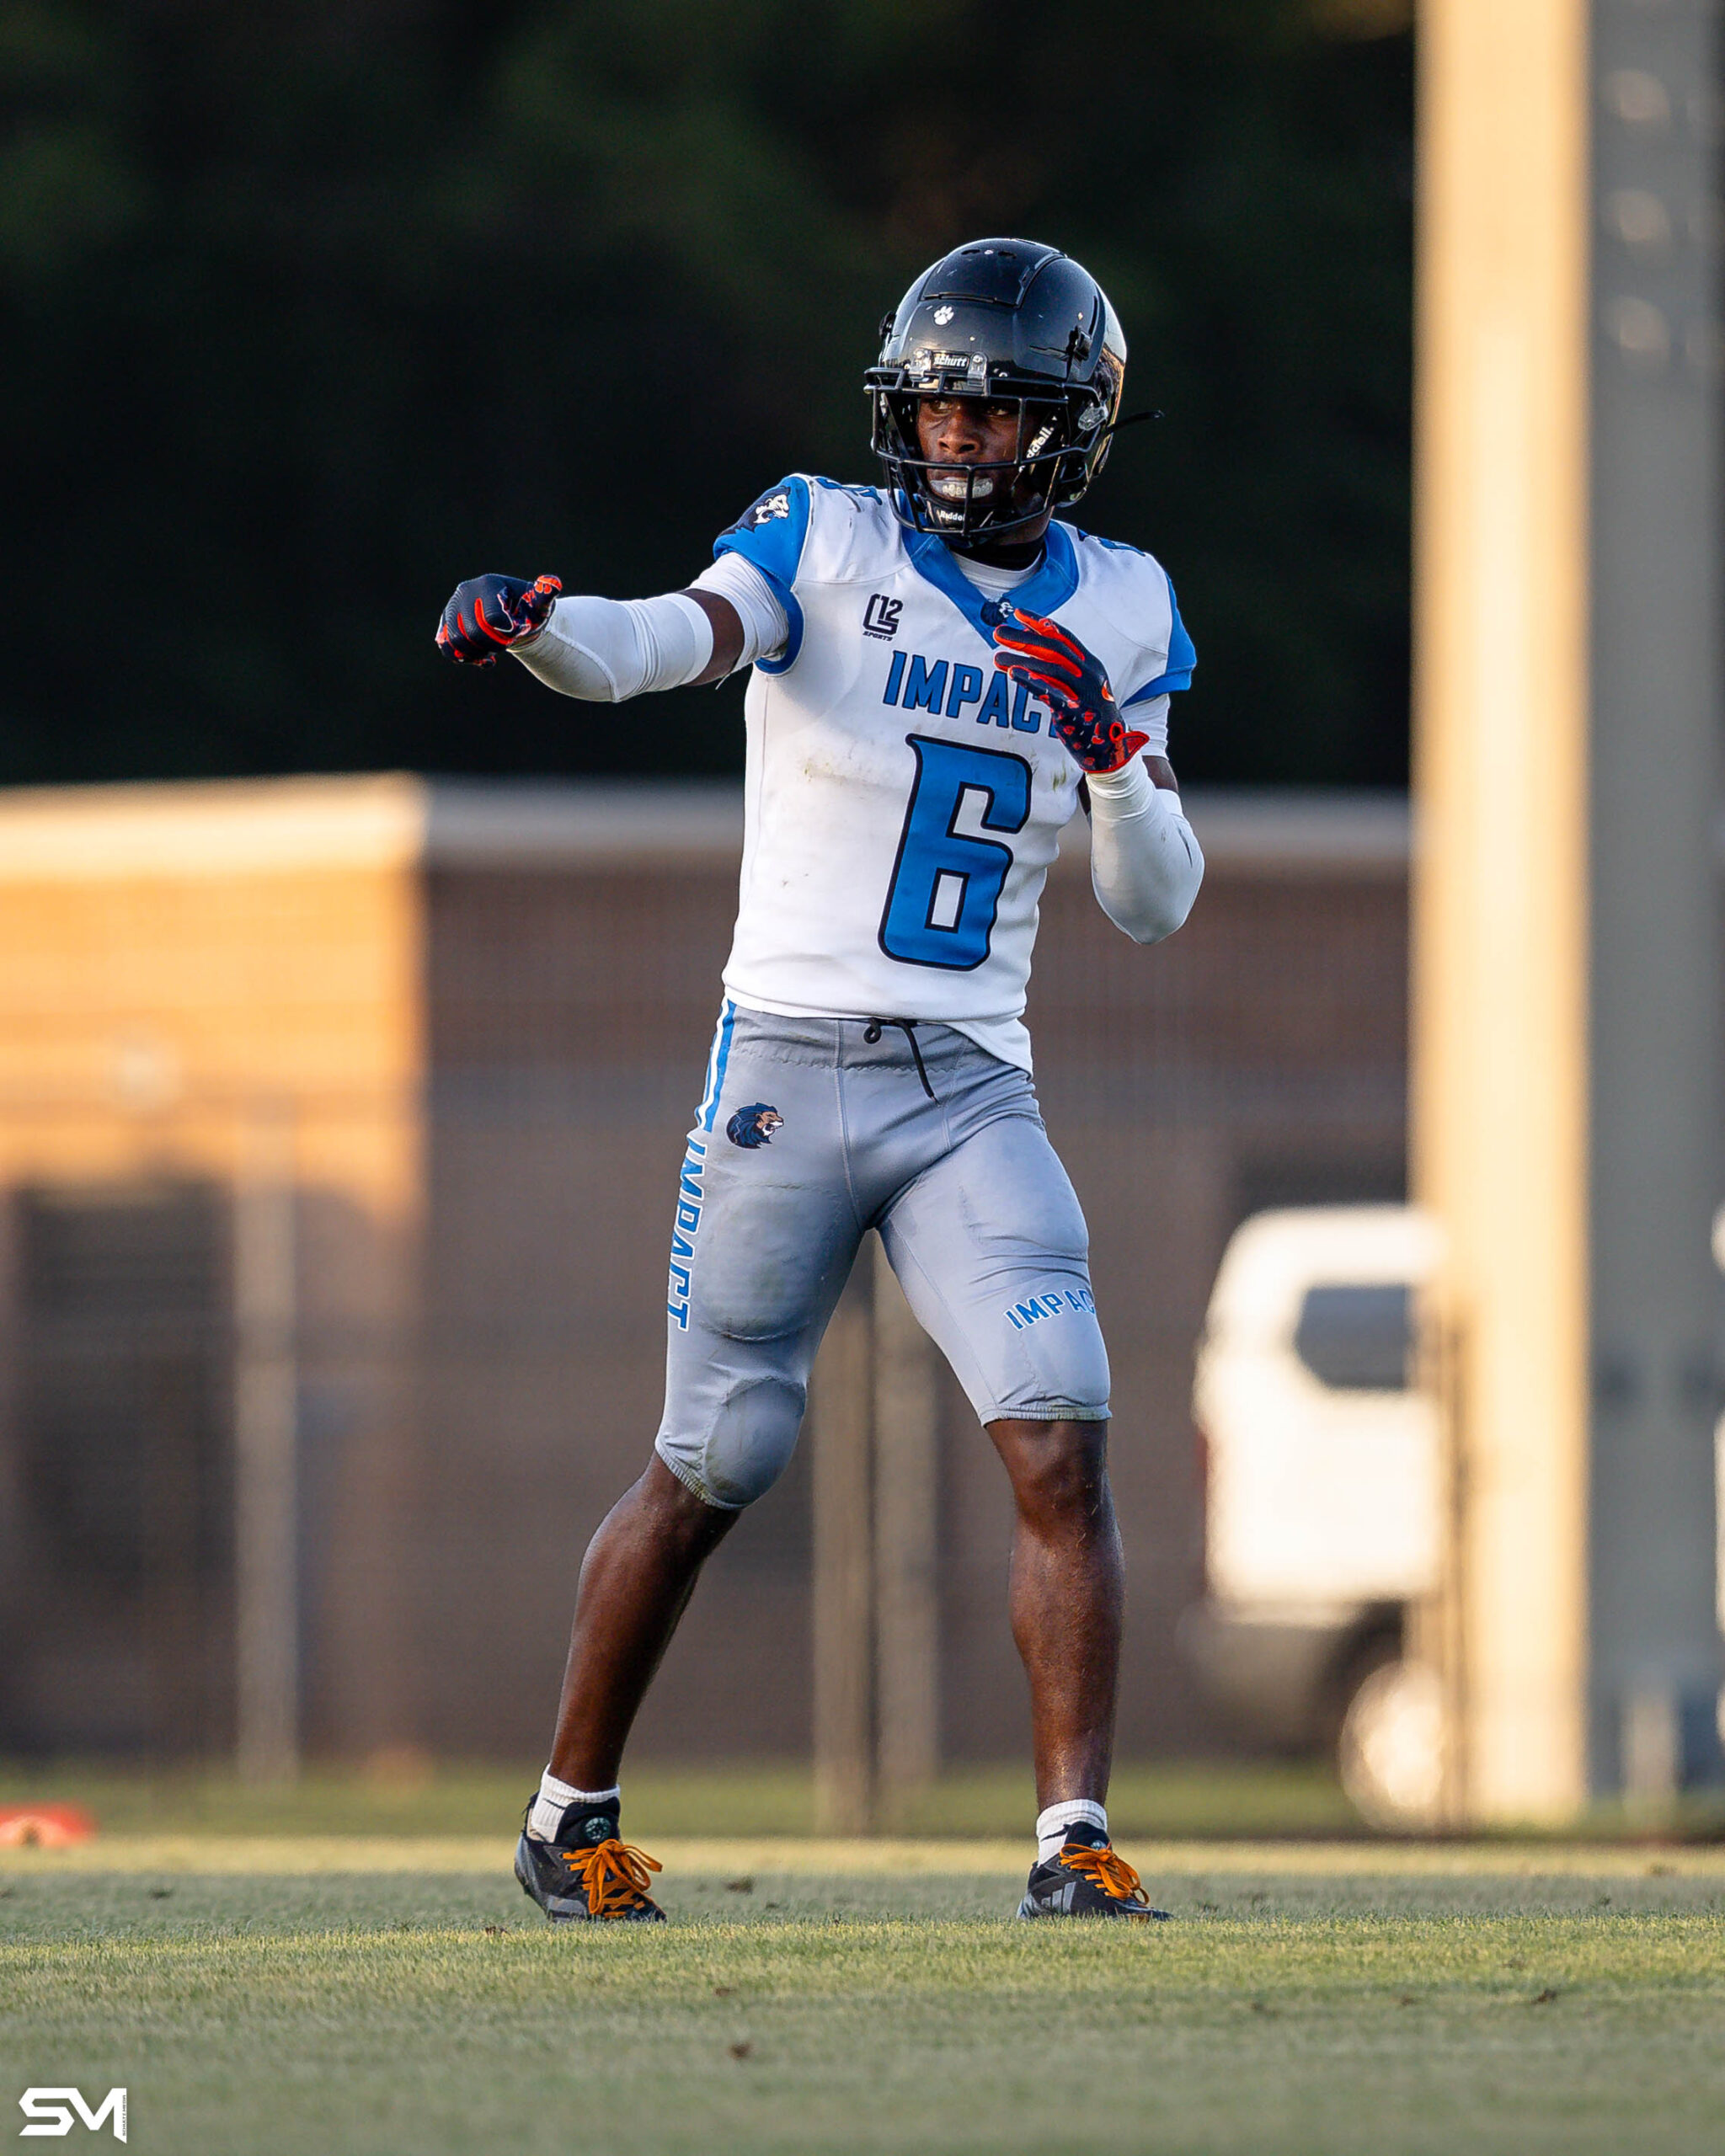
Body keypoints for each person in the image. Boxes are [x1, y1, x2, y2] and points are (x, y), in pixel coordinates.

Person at [436, 238, 1204, 1923]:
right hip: (785, 1058)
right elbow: (661, 640)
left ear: (1069, 427)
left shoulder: (1125, 604)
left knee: (1061, 1435)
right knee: (719, 1455)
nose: (954, 440)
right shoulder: (823, 534)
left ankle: (1071, 1841)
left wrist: (1114, 762)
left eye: (992, 413)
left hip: (970, 1084)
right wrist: (541, 632)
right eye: (933, 409)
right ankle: (570, 1817)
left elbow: (1155, 901)